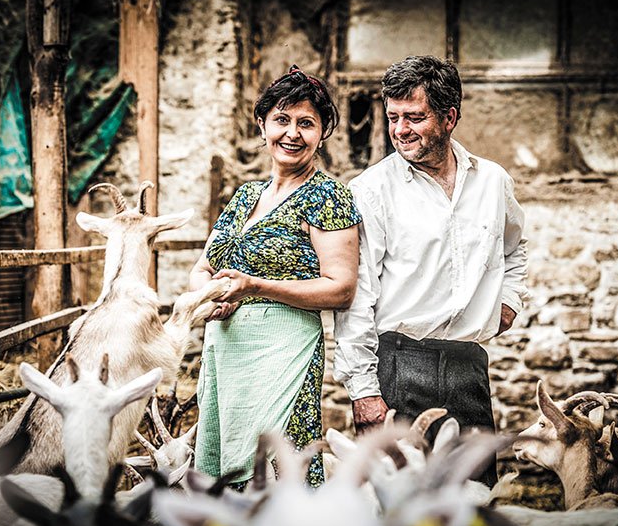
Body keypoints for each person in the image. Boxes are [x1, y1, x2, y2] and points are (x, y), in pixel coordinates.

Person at [333, 55, 529, 487]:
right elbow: (358, 297)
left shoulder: (493, 181)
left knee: (476, 498)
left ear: (449, 117)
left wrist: (510, 301)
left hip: (469, 368)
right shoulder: (371, 190)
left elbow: (515, 247)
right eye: (393, 117)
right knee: (400, 505)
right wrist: (364, 391)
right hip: (400, 366)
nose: (400, 130)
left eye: (415, 117)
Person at [188, 65, 361, 488]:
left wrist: (257, 286)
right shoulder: (247, 194)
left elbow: (341, 288)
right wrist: (209, 296)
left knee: (277, 470)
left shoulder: (328, 194)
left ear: (322, 134)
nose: (293, 133)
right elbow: (203, 267)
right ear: (262, 124)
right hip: (227, 352)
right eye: (282, 120)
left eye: (307, 123)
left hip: (284, 349)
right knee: (223, 475)